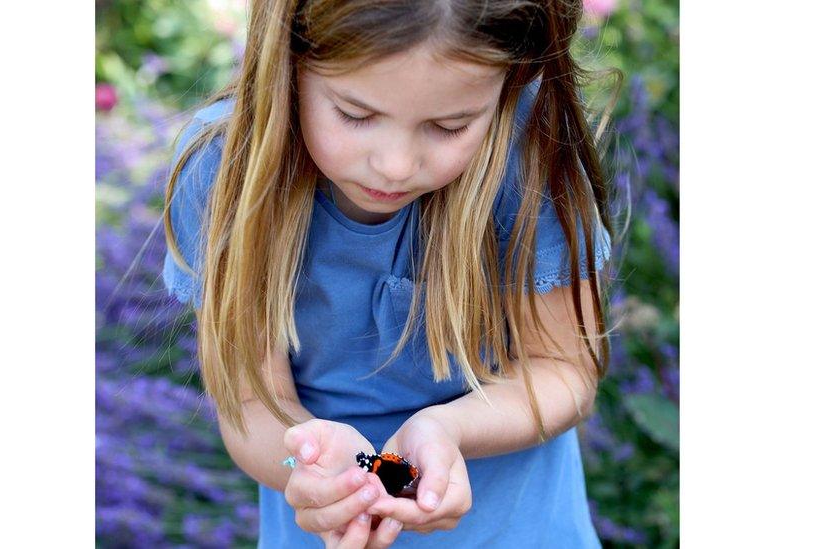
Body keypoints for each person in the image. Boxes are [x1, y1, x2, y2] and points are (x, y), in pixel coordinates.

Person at [162, 0, 617, 546]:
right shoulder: (223, 169)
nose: (396, 165)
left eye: (451, 125)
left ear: (510, 81)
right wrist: (321, 470)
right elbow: (252, 404)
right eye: (356, 114)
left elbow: (563, 369)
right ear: (288, 62)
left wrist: (448, 429)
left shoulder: (529, 146)